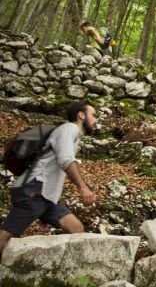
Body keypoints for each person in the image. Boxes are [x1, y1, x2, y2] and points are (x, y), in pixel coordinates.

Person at [0, 101, 99, 257]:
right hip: (34, 191)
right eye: (93, 115)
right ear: (81, 115)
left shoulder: (70, 134)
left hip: (46, 196)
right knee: (5, 238)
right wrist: (83, 187)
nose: (95, 120)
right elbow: (66, 160)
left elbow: (52, 168)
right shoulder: (69, 129)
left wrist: (43, 211)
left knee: (76, 229)